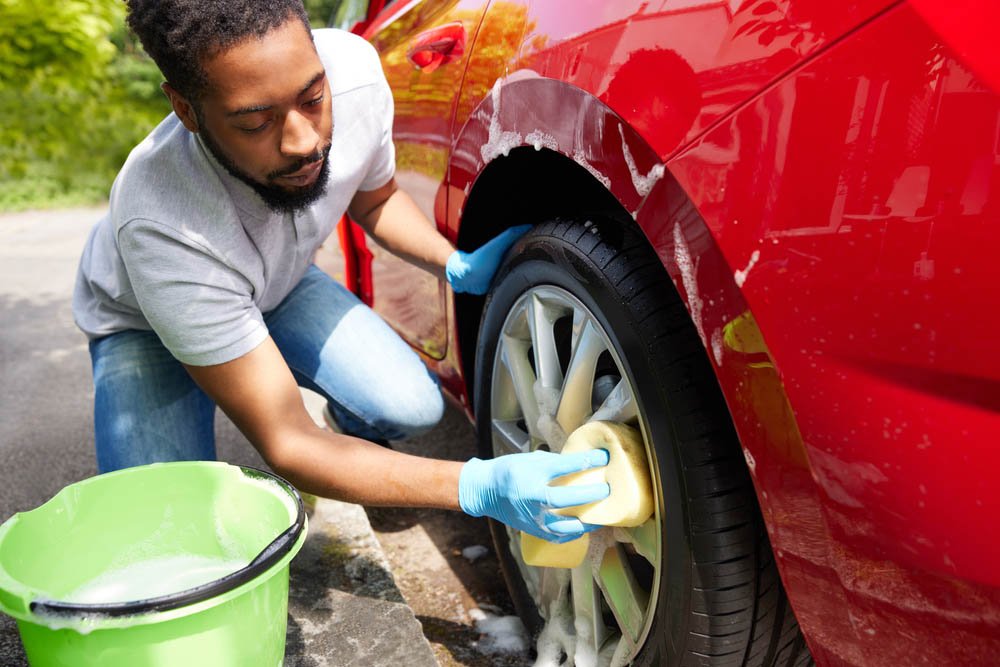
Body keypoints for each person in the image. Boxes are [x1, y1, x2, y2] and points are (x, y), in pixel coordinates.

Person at [71, 0, 610, 544]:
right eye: (256, 122)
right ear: (186, 111)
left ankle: (344, 436)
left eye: (312, 99)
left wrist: (452, 262)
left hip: (279, 287)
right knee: (163, 533)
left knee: (415, 409)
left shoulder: (354, 72)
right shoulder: (161, 220)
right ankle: (229, 390)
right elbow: (289, 442)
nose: (303, 141)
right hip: (142, 327)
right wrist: (475, 485)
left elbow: (373, 201)